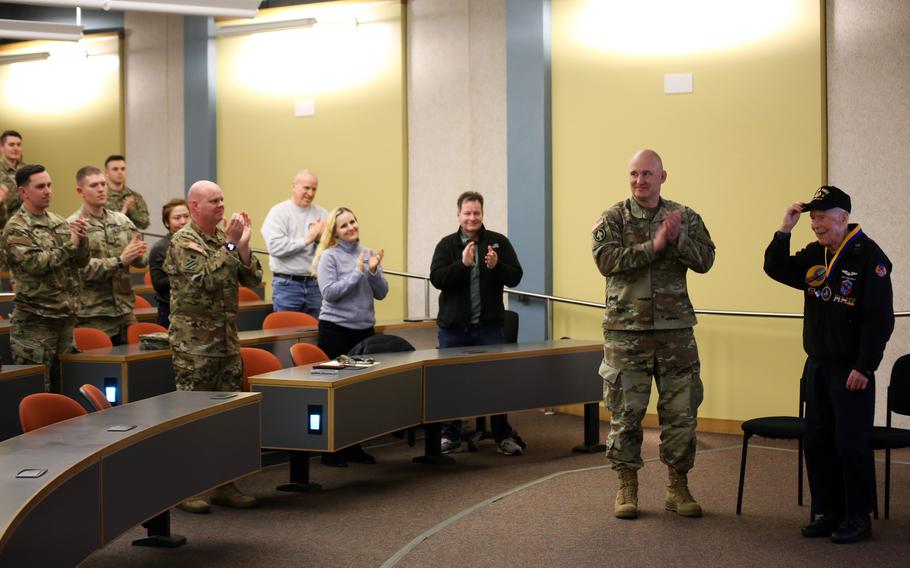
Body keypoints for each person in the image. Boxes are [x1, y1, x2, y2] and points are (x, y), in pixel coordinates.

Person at [764, 185, 893, 544]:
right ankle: (829, 511)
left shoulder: (870, 258)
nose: (817, 225)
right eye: (813, 218)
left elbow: (879, 320)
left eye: (823, 218)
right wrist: (784, 230)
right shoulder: (815, 254)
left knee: (850, 444)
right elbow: (776, 269)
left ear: (843, 217)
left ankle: (857, 517)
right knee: (817, 441)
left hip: (851, 369)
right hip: (818, 366)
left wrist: (865, 367)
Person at [592, 149, 715, 519]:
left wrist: (678, 240)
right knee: (625, 414)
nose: (639, 181)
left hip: (675, 333)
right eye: (633, 174)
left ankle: (678, 487)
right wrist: (654, 246)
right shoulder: (613, 217)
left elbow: (706, 260)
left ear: (663, 177)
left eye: (647, 174)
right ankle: (626, 487)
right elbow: (606, 260)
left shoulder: (685, 217)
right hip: (625, 334)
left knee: (681, 414)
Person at [165, 180, 262, 513]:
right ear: (195, 206)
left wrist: (244, 247)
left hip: (226, 342)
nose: (221, 206)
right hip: (196, 347)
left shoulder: (224, 239)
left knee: (227, 418)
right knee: (193, 419)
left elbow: (253, 280)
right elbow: (207, 280)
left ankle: (224, 484)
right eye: (213, 201)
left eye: (222, 199)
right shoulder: (183, 241)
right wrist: (233, 246)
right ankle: (185, 488)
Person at [430, 191, 525, 456]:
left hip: (488, 329)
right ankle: (450, 435)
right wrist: (462, 265)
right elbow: (436, 279)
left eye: (476, 213)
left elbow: (516, 276)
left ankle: (503, 436)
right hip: (453, 330)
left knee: (495, 383)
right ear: (458, 215)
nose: (472, 218)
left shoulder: (498, 243)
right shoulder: (447, 245)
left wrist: (497, 266)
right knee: (451, 383)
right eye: (467, 213)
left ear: (483, 214)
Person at [0, 165, 89, 391]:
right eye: (40, 186)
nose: (48, 191)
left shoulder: (59, 222)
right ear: (23, 192)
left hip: (64, 320)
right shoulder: (16, 228)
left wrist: (82, 239)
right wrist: (71, 244)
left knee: (68, 390)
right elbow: (35, 264)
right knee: (39, 391)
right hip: (35, 324)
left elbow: (80, 262)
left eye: (49, 185)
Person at [312, 206, 387, 466]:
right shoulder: (329, 257)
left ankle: (354, 447)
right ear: (335, 232)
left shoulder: (367, 253)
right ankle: (330, 452)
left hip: (363, 330)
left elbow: (382, 293)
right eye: (343, 225)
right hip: (336, 331)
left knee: (358, 393)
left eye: (353, 221)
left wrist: (374, 271)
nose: (351, 227)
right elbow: (330, 293)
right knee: (337, 393)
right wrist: (357, 271)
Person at [69, 166, 148, 345]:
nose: (101, 189)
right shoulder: (74, 225)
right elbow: (84, 270)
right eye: (94, 185)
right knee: (103, 369)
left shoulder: (122, 220)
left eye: (103, 184)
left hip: (124, 310)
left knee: (134, 367)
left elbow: (140, 262)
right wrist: (121, 260)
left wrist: (139, 253)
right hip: (94, 314)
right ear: (80, 191)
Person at [261, 170, 327, 318]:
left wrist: (319, 240)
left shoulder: (322, 214)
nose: (310, 193)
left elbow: (332, 250)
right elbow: (275, 248)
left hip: (315, 286)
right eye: (306, 188)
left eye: (314, 189)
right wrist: (308, 239)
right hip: (287, 285)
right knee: (286, 335)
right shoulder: (278, 212)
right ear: (294, 186)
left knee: (316, 334)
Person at [148, 198, 190, 327]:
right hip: (171, 310)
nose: (183, 221)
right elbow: (159, 284)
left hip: (196, 309)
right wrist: (186, 273)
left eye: (186, 216)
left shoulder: (199, 243)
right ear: (167, 223)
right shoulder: (160, 248)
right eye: (177, 218)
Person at [104, 155, 150, 230]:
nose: (120, 172)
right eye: (115, 169)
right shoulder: (101, 196)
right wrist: (124, 210)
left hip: (131, 240)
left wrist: (132, 211)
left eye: (123, 169)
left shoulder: (134, 196)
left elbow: (145, 224)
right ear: (107, 172)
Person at [0, 130, 24, 230]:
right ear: (1, 147)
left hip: (25, 226)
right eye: (11, 145)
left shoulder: (26, 170)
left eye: (18, 145)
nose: (16, 148)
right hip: (4, 226)